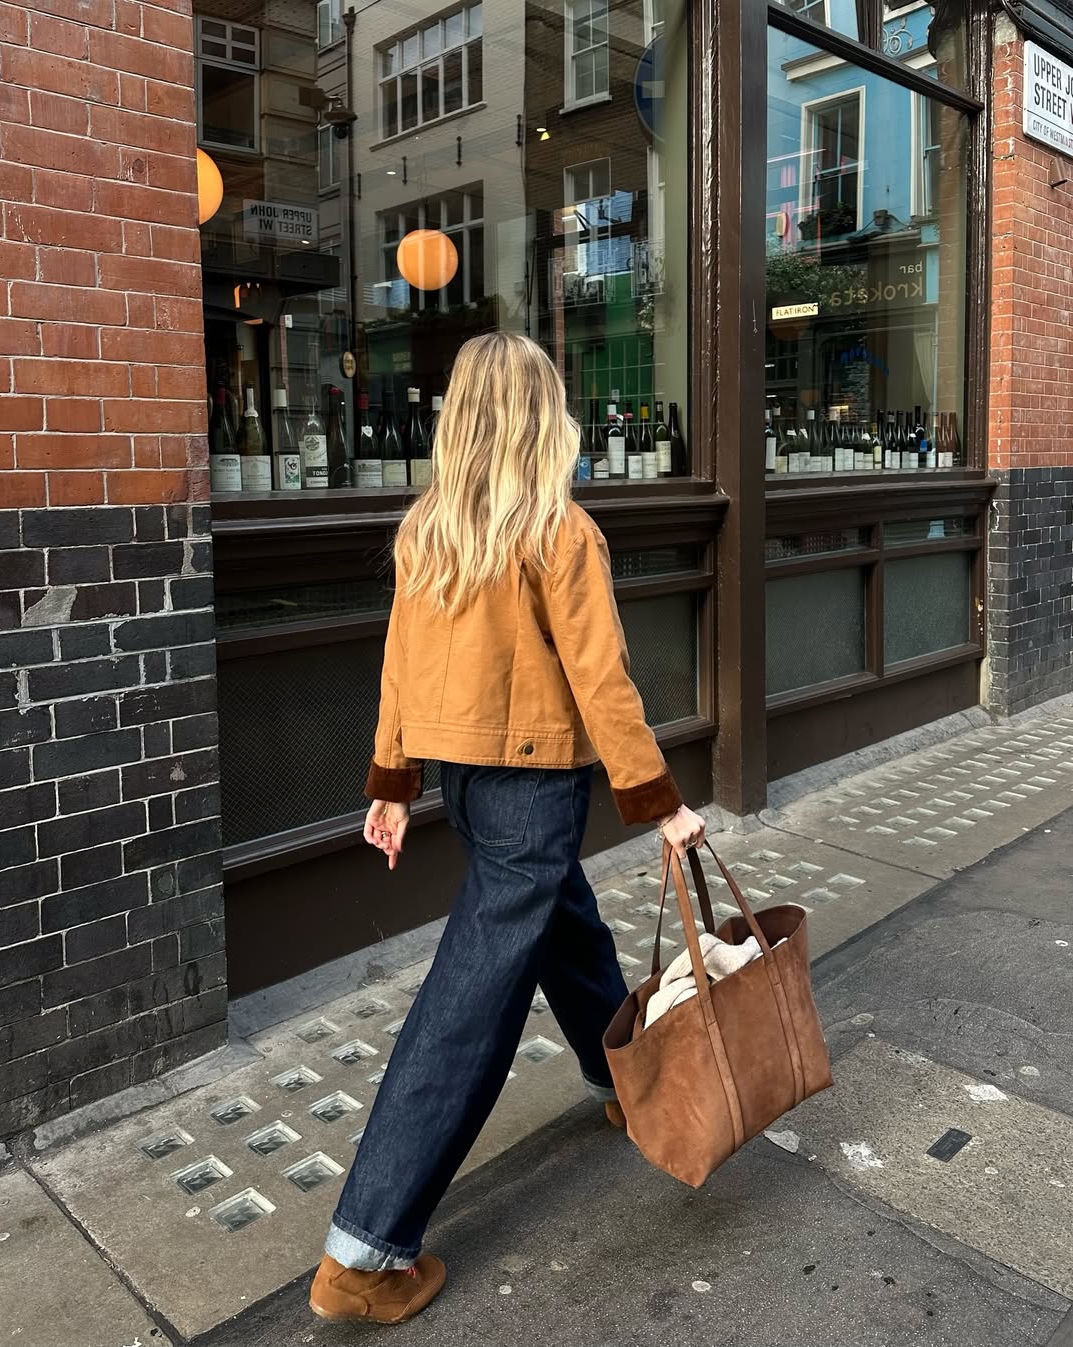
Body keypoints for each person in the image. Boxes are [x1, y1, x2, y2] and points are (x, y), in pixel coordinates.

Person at [310, 333, 706, 1325]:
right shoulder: (558, 532)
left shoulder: (430, 528)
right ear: (543, 418)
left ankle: (627, 1079)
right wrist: (662, 802)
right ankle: (365, 1249)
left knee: (562, 923)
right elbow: (602, 680)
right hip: (535, 781)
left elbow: (400, 664)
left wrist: (396, 781)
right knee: (474, 997)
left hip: (470, 781)